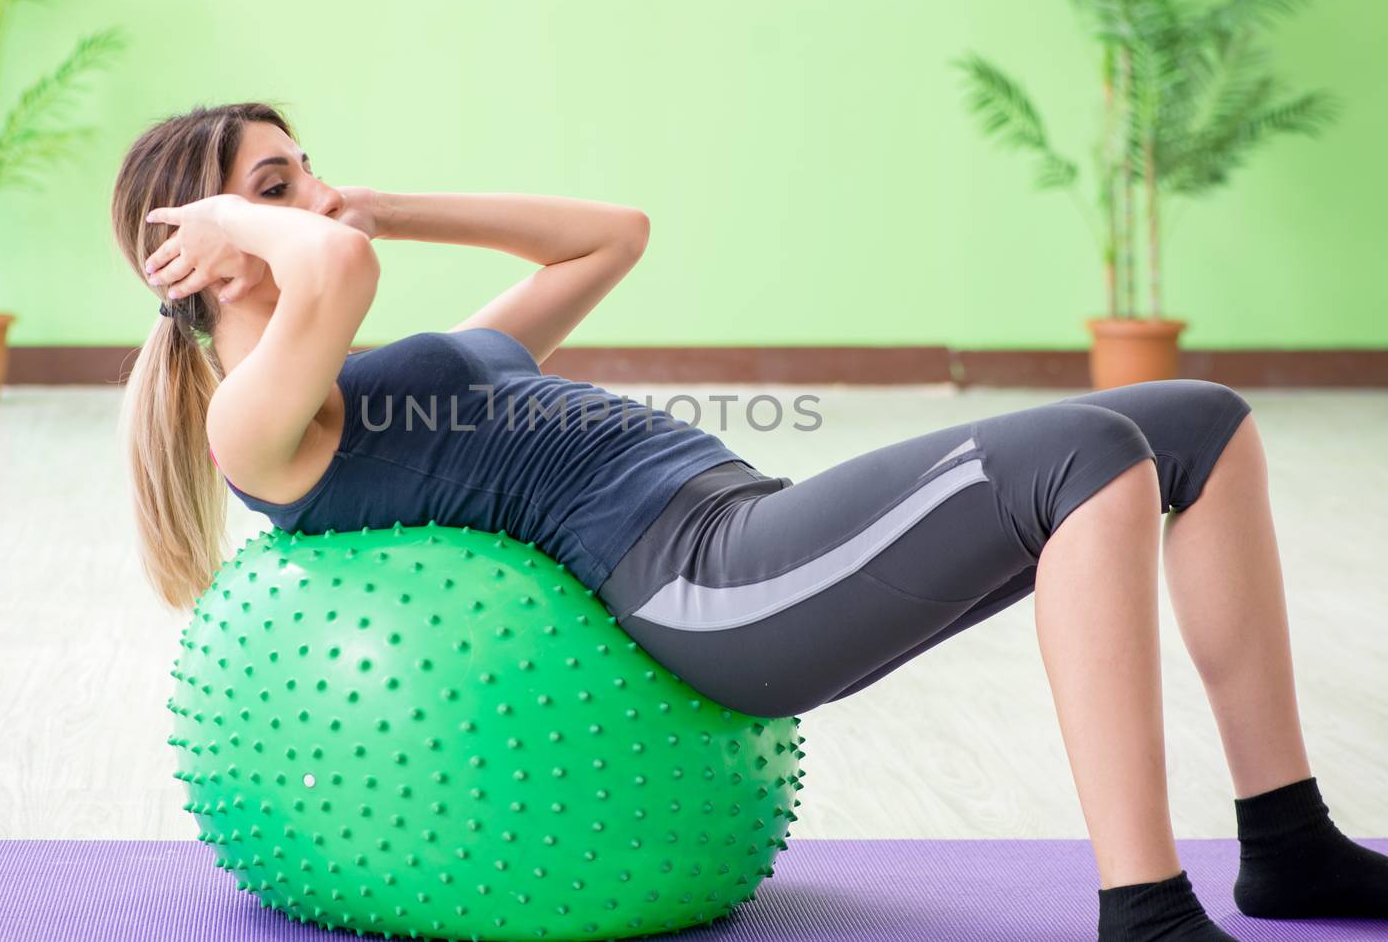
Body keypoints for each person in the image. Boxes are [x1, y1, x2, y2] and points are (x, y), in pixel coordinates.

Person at [112, 102, 1386, 942]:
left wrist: (376, 201)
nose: (317, 195)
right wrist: (265, 225)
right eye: (278, 184)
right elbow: (337, 275)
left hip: (751, 531)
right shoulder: (258, 424)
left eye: (307, 165)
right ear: (203, 253)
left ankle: (1288, 843)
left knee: (1201, 421)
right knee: (1092, 454)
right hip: (703, 590)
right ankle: (1145, 907)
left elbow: (607, 241)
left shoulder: (416, 358)